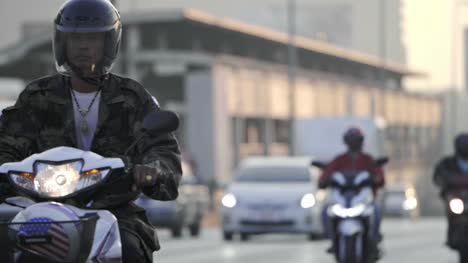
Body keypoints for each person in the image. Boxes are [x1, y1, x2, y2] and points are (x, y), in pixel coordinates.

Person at [0, 0, 182, 262]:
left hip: (113, 211)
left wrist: (152, 170)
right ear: (63, 43)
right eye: (75, 38)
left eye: (93, 39)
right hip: (40, 210)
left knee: (130, 251)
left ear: (108, 43)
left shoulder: (133, 97)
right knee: (8, 244)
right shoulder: (35, 97)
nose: (83, 46)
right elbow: (6, 144)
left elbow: (161, 150)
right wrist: (7, 169)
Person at [318, 127, 385, 253]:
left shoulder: (368, 159)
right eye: (350, 140)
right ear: (346, 142)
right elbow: (327, 173)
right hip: (343, 198)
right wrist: (324, 180)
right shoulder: (340, 160)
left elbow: (378, 175)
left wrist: (376, 179)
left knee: (376, 210)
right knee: (326, 210)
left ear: (361, 141)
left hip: (363, 198)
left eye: (356, 140)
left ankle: (374, 238)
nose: (353, 143)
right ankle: (332, 238)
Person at [433, 133, 468, 249]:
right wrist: (443, 179)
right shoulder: (448, 163)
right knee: (453, 214)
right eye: (463, 145)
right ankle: (453, 234)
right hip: (456, 198)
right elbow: (437, 176)